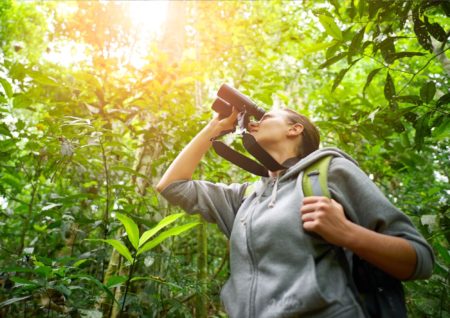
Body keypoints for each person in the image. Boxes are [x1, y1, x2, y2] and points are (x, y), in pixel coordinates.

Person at [156, 107, 434, 318]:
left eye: (266, 116)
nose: (255, 121)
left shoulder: (330, 172)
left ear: (295, 129)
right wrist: (213, 128)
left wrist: (348, 233)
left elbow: (419, 260)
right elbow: (171, 185)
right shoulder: (245, 198)